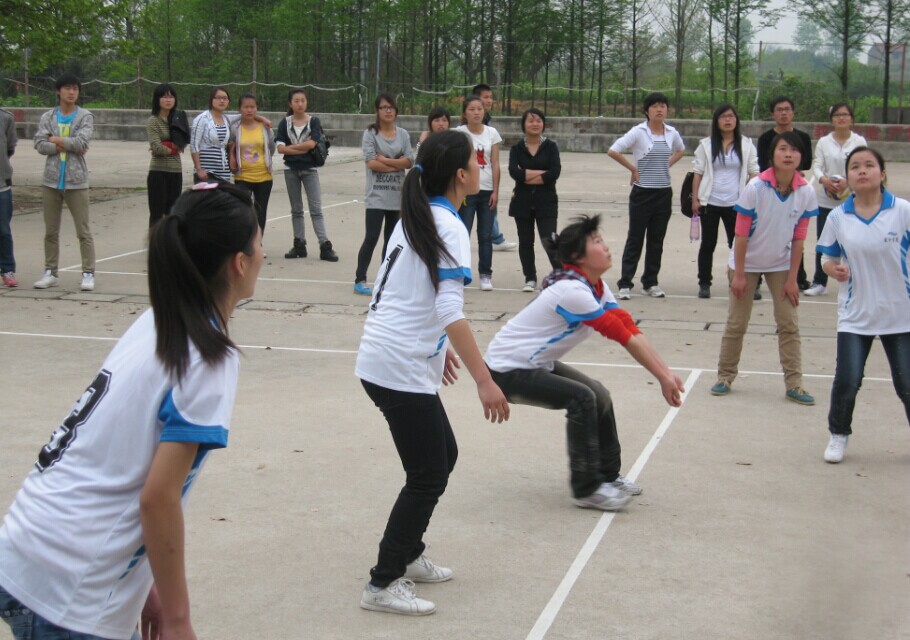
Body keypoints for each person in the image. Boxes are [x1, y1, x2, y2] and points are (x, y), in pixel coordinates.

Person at [0, 182, 263, 640]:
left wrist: (145, 585)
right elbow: (158, 498)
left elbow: (116, 454)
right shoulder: (209, 357)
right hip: (70, 588)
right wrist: (179, 619)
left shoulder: (159, 320)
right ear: (239, 263)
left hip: (28, 546)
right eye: (260, 246)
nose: (263, 257)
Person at [356, 130, 509, 616]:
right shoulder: (447, 225)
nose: (481, 168)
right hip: (396, 365)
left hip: (389, 357)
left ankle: (409, 551)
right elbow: (448, 308)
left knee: (444, 455)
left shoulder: (420, 215)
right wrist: (484, 380)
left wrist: (437, 350)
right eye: (475, 162)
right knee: (427, 474)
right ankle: (383, 581)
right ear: (461, 175)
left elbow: (405, 293)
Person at [484, 214, 684, 510]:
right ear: (578, 257)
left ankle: (608, 475)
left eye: (602, 240)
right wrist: (662, 377)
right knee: (582, 398)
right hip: (506, 370)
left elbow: (629, 328)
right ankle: (586, 488)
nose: (606, 246)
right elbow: (621, 337)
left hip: (533, 364)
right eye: (597, 242)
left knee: (598, 394)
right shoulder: (572, 291)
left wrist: (665, 373)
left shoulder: (596, 286)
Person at [816, 147, 910, 463]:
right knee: (847, 379)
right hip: (856, 314)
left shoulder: (903, 211)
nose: (862, 171)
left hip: (900, 313)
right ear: (848, 177)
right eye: (855, 166)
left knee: (907, 383)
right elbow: (827, 257)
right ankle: (838, 434)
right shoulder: (838, 217)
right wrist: (832, 269)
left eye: (869, 165)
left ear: (882, 173)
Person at [710, 131, 818, 405]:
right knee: (737, 322)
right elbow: (741, 235)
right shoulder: (756, 187)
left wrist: (793, 278)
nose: (788, 154)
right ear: (772, 154)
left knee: (789, 323)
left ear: (802, 156)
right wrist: (740, 275)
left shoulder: (806, 191)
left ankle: (794, 384)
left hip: (781, 264)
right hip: (745, 263)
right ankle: (725, 376)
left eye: (794, 150)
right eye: (783, 149)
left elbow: (799, 239)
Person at [607, 92, 685, 299]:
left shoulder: (671, 133)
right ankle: (625, 283)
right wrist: (633, 169)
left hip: (663, 193)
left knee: (656, 240)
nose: (659, 110)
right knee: (635, 238)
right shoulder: (638, 132)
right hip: (642, 193)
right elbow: (613, 150)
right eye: (655, 106)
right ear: (646, 111)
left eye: (663, 106)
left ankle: (650, 282)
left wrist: (666, 165)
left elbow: (680, 150)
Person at [33, 73, 96, 292]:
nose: (71, 92)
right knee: (51, 230)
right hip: (51, 181)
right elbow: (39, 144)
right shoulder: (48, 116)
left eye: (75, 89)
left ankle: (88, 272)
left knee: (83, 230)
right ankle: (50, 271)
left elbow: (81, 143)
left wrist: (55, 139)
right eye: (67, 88)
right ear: (58, 91)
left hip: (76, 180)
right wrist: (60, 145)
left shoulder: (85, 116)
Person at [691, 103, 759, 299]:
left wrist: (749, 193)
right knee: (708, 244)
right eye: (723, 116)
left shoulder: (746, 145)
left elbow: (754, 171)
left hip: (736, 204)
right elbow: (697, 173)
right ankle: (704, 283)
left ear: (736, 120)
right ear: (717, 121)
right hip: (710, 202)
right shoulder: (706, 145)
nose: (728, 120)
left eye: (731, 116)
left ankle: (749, 283)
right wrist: (695, 199)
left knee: (739, 244)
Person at [805, 103, 867, 297]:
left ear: (851, 118)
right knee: (823, 242)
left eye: (845, 114)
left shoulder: (859, 141)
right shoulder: (824, 142)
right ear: (831, 119)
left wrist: (848, 181)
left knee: (855, 241)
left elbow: (863, 165)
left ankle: (858, 280)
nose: (841, 118)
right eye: (837, 115)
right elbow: (817, 166)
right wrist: (824, 180)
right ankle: (819, 282)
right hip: (826, 201)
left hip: (852, 200)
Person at [354, 93, 413, 295]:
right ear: (377, 111)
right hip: (376, 197)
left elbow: (409, 161)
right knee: (371, 237)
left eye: (391, 107)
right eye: (384, 107)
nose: (388, 111)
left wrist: (385, 161)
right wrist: (396, 165)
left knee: (391, 241)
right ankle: (360, 279)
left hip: (397, 198)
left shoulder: (403, 134)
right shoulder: (370, 133)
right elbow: (371, 162)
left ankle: (385, 279)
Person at [756, 95, 814, 294]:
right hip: (771, 189)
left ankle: (799, 276)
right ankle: (757, 276)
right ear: (772, 114)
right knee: (765, 232)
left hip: (795, 189)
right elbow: (763, 165)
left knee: (796, 233)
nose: (783, 113)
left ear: (793, 112)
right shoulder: (765, 139)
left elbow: (807, 163)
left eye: (787, 109)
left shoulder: (803, 137)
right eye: (779, 110)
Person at [275, 88, 339, 262]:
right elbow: (280, 148)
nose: (300, 104)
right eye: (296, 101)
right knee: (296, 209)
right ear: (290, 104)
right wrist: (301, 148)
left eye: (303, 100)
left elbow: (311, 145)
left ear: (306, 102)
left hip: (310, 169)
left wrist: (291, 148)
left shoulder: (313, 121)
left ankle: (324, 245)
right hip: (290, 170)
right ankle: (299, 244)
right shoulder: (284, 123)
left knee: (316, 209)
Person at [508, 107, 562, 292]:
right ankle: (530, 278)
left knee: (550, 240)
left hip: (546, 201)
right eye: (531, 121)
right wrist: (539, 174)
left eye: (538, 120)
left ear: (543, 124)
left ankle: (561, 275)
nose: (535, 124)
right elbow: (514, 172)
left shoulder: (551, 146)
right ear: (524, 124)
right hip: (522, 201)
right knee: (525, 241)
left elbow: (554, 173)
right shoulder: (517, 148)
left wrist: (526, 174)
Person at [455, 95, 502, 291]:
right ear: (465, 113)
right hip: (467, 192)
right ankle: (461, 272)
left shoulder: (492, 133)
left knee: (485, 235)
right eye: (472, 109)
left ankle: (485, 274)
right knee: (462, 233)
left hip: (487, 191)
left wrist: (495, 191)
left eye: (479, 109)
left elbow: (495, 164)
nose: (476, 112)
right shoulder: (459, 133)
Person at [472, 82, 517, 252]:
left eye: (491, 97)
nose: (489, 100)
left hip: (485, 175)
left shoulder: (488, 122)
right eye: (486, 97)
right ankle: (495, 238)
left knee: (489, 205)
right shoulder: (468, 124)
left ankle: (495, 238)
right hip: (472, 176)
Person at [229, 93, 276, 235]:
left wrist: (261, 120)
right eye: (245, 107)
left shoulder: (265, 128)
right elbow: (228, 124)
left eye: (252, 107)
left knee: (260, 212)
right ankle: (244, 241)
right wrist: (261, 117)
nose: (249, 110)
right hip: (243, 176)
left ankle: (257, 242)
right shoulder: (235, 128)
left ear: (257, 108)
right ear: (239, 109)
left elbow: (271, 148)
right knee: (242, 211)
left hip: (264, 176)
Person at [146, 83, 183, 227]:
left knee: (173, 213)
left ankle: (170, 240)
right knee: (157, 214)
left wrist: (166, 145)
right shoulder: (153, 121)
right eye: (164, 97)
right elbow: (156, 147)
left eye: (171, 97)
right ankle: (155, 240)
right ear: (157, 99)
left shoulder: (178, 119)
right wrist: (174, 148)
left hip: (176, 170)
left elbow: (183, 141)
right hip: (158, 171)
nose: (168, 100)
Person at [190, 87, 235, 183]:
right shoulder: (202, 119)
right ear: (211, 100)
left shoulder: (227, 119)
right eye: (218, 98)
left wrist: (263, 119)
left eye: (225, 98)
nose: (222, 101)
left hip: (223, 172)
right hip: (206, 172)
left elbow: (245, 115)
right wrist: (198, 168)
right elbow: (194, 144)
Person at [0, 106, 16, 287]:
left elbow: (10, 148)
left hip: (2, 184)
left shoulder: (5, 118)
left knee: (3, 230)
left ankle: (7, 269)